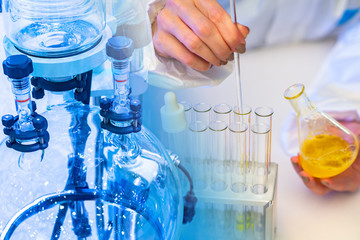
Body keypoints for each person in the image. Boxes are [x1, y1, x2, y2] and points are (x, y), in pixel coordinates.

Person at [147, 0, 360, 195]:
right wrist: (147, 27)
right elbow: (118, 22)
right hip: (192, 85)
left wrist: (345, 112)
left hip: (319, 40)